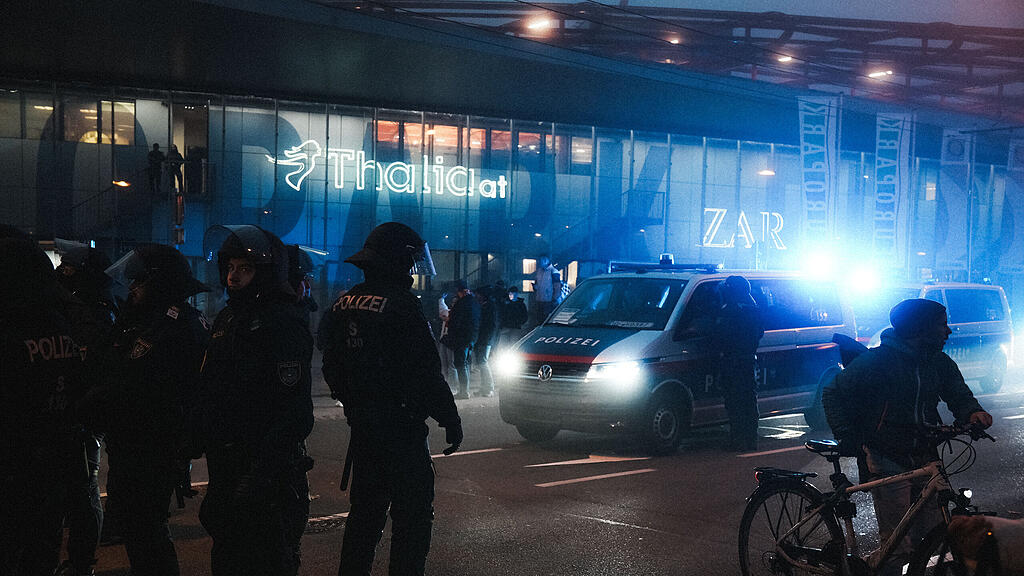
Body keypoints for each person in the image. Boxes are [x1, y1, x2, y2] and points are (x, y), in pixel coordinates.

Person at [320, 221, 463, 576]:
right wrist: (450, 419)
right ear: (397, 262)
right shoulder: (403, 306)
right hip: (402, 432)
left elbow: (329, 361)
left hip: (365, 432)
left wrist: (353, 403)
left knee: (364, 519)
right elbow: (426, 373)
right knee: (412, 520)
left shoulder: (344, 304)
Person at [822, 298, 993, 576]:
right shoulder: (878, 361)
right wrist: (847, 437)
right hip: (886, 453)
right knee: (898, 545)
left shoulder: (938, 362)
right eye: (942, 325)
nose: (948, 331)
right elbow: (833, 393)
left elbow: (958, 394)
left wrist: (973, 412)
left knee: (933, 539)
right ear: (919, 329)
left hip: (924, 452)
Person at [81, 244, 210, 576]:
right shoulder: (138, 318)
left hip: (155, 445)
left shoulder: (181, 323)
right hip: (128, 442)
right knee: (136, 530)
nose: (133, 288)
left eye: (140, 281)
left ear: (160, 282)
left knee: (148, 530)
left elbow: (169, 387)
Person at [197, 225, 314, 576]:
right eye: (231, 267)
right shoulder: (229, 317)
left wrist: (263, 473)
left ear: (263, 272)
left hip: (266, 469)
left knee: (268, 558)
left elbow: (295, 411)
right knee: (228, 556)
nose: (234, 276)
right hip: (227, 461)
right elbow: (212, 386)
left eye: (244, 269)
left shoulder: (283, 321)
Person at [0, 237, 85, 575]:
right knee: (40, 550)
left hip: (15, 465)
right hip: (52, 462)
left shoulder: (11, 326)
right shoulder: (58, 321)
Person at [53, 240, 117, 576]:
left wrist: (80, 409)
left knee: (84, 488)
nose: (62, 269)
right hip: (74, 411)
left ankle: (82, 562)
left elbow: (91, 366)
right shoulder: (76, 304)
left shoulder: (92, 310)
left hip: (84, 416)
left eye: (68, 264)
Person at [707, 275, 763, 451]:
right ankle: (750, 439)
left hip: (733, 361)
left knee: (735, 401)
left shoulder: (730, 311)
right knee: (748, 400)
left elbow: (719, 335)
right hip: (747, 359)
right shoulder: (752, 308)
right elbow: (759, 333)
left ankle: (738, 439)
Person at [442, 280, 480, 400]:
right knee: (465, 363)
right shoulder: (475, 303)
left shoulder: (461, 303)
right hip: (472, 337)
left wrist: (451, 333)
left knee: (460, 363)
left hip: (461, 338)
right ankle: (464, 390)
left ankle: (464, 391)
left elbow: (455, 321)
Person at [474, 285, 500, 397]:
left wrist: (488, 339)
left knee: (483, 362)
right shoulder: (485, 306)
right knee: (482, 363)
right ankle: (484, 387)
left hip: (485, 339)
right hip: (483, 339)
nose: (476, 296)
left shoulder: (489, 307)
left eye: (478, 294)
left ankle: (489, 387)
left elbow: (491, 325)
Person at [530, 256, 557, 327]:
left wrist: (554, 299)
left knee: (546, 319)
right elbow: (536, 282)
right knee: (539, 318)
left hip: (548, 300)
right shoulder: (539, 271)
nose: (540, 262)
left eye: (542, 260)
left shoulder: (553, 271)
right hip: (539, 299)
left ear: (546, 260)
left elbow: (557, 286)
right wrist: (535, 287)